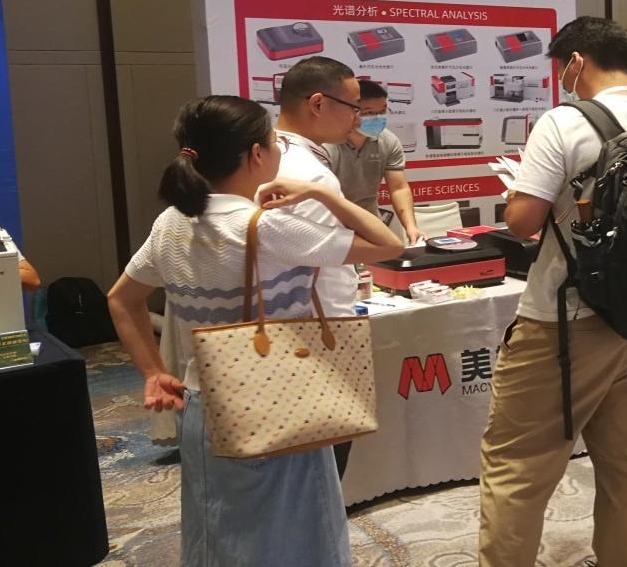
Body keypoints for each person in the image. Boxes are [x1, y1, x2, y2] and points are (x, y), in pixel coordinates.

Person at [105, 95, 403, 567]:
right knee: (292, 532)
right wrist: (323, 195)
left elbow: (121, 299)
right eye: (274, 142)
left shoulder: (171, 223)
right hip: (276, 398)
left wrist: (152, 372)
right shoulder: (267, 229)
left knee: (216, 526)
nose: (279, 150)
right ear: (256, 155)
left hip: (200, 402)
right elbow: (389, 244)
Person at [478, 16, 627, 567]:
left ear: (576, 61)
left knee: (518, 466)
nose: (562, 78)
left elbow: (523, 224)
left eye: (562, 67)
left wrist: (516, 194)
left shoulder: (563, 122)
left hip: (565, 322)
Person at [273, 56, 375, 480]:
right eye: (353, 107)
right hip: (318, 330)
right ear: (317, 103)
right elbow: (312, 267)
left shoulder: (266, 154)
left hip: (282, 331)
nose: (358, 118)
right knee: (324, 462)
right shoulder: (308, 173)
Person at [326, 79, 426, 243]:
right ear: (348, 111)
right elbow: (321, 197)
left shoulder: (388, 140)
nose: (377, 118)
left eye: (382, 111)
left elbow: (398, 188)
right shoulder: (325, 144)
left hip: (370, 222)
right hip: (330, 224)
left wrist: (411, 227)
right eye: (368, 112)